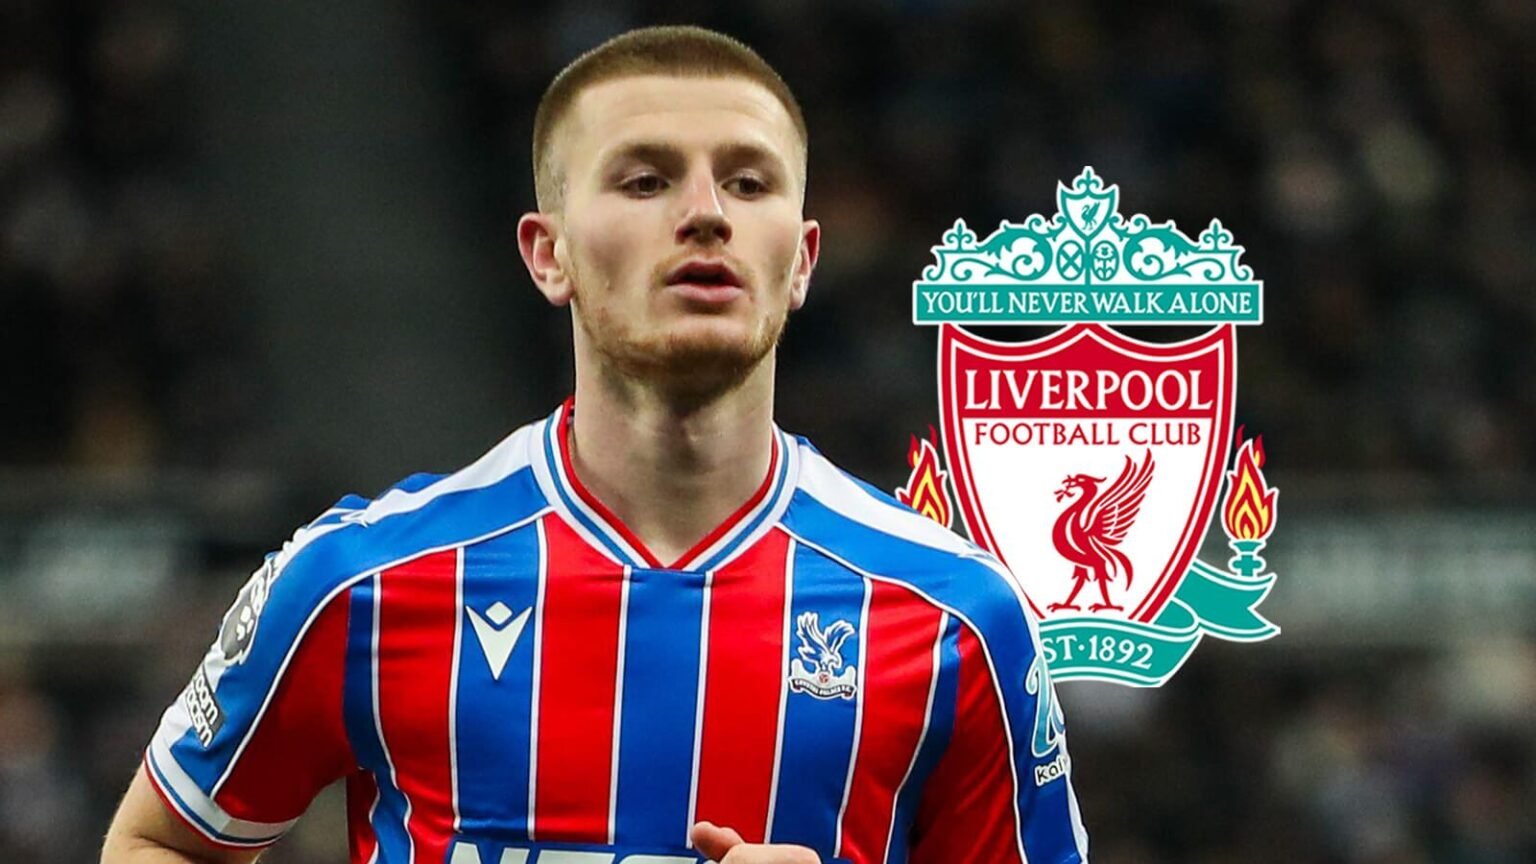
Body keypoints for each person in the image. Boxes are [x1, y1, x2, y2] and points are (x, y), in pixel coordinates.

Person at [101, 25, 1089, 864]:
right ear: (549, 253)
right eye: (646, 179)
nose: (706, 213)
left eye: (749, 182)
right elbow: (157, 843)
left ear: (801, 260)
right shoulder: (358, 579)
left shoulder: (957, 616)